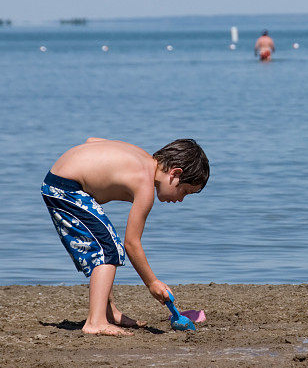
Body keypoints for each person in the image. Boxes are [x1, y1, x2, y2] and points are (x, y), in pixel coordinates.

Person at [41, 138, 209, 336]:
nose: (180, 199)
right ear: (175, 173)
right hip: (66, 189)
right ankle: (96, 322)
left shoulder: (142, 157)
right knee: (106, 249)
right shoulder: (144, 185)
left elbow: (93, 141)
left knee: (106, 242)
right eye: (185, 191)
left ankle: (108, 311)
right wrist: (152, 282)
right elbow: (131, 243)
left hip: (63, 182)